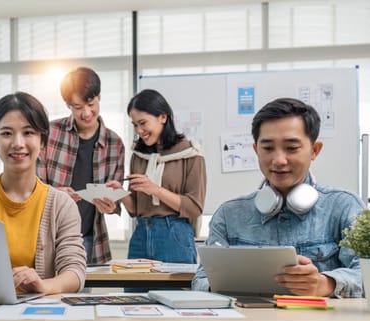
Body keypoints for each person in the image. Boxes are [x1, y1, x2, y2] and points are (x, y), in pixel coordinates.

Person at [192, 97, 364, 297]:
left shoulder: (344, 207)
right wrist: (226, 283)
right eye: (267, 148)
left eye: (291, 148)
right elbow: (201, 281)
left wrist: (326, 283)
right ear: (256, 150)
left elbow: (364, 274)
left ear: (314, 150)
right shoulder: (229, 215)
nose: (279, 160)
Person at [0, 91, 87, 294]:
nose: (18, 143)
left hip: (37, 319)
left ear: (43, 141)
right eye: (6, 133)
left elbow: (74, 271)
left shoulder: (61, 205)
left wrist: (43, 285)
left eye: (28, 132)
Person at [37, 67, 125, 264]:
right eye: (77, 107)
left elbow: (115, 199)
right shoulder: (49, 134)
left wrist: (111, 205)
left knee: (81, 296)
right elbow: (32, 188)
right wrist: (56, 195)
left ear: (99, 97)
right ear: (68, 105)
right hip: (47, 237)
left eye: (90, 104)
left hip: (89, 239)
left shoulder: (114, 143)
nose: (86, 113)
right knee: (44, 294)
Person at [108, 89, 206, 265]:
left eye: (143, 123)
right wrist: (120, 194)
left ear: (163, 117)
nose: (139, 130)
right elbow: (136, 210)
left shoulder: (191, 153)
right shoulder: (138, 155)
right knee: (133, 293)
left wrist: (155, 190)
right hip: (141, 235)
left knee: (175, 293)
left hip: (175, 236)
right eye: (134, 125)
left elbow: (194, 208)